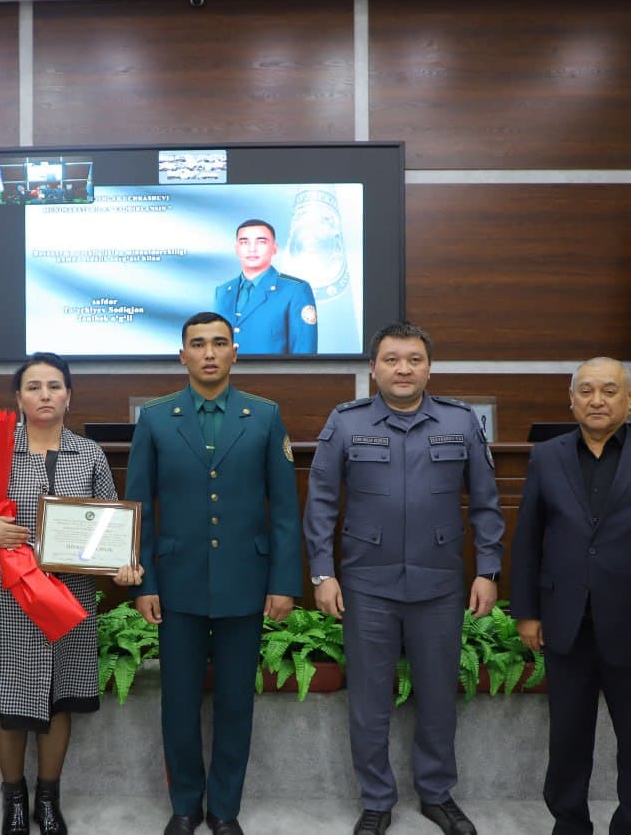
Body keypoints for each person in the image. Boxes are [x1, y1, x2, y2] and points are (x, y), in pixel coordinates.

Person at [303, 321, 504, 835]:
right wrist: (322, 572)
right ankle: (376, 800)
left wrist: (488, 570)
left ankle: (437, 795)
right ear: (374, 368)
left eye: (413, 359)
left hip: (439, 584)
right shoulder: (346, 423)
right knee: (370, 701)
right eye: (391, 359)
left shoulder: (460, 422)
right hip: (366, 584)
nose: (403, 368)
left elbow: (485, 502)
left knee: (438, 697)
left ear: (429, 367)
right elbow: (321, 504)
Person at [511, 357, 631, 835]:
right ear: (572, 399)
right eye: (586, 391)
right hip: (567, 625)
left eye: (609, 391)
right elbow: (528, 540)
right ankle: (570, 824)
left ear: (630, 398)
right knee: (567, 745)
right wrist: (527, 614)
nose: (597, 400)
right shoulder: (547, 456)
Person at [125, 311, 303, 835]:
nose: (208, 352)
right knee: (178, 705)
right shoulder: (156, 418)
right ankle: (185, 806)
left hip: (246, 582)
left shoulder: (265, 416)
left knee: (234, 705)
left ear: (234, 352)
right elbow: (140, 507)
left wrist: (284, 583)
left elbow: (285, 511)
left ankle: (224, 809)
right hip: (175, 584)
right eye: (197, 344)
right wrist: (145, 584)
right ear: (181, 355)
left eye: (218, 343)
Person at [0, 351, 143, 835]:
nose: (45, 395)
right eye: (34, 386)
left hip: (69, 599)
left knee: (61, 699)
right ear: (17, 398)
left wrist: (123, 564)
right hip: (8, 598)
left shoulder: (90, 454)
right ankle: (13, 798)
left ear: (69, 396)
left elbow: (110, 526)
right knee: (8, 702)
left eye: (54, 386)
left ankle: (48, 799)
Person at [212, 219, 317, 355]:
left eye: (261, 242)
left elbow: (304, 353)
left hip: (272, 376)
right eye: (244, 242)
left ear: (274, 248)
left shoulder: (296, 290)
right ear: (236, 249)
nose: (252, 249)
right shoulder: (222, 292)